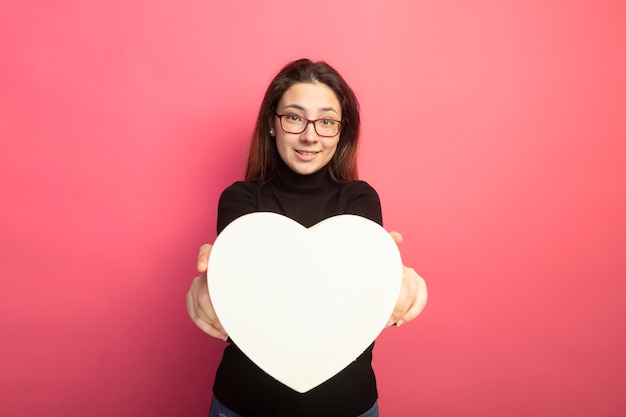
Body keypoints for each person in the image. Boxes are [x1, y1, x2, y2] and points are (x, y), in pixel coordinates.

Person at [186, 58, 427, 417]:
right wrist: (208, 288)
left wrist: (396, 278)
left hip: (349, 407)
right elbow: (244, 294)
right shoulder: (241, 199)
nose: (310, 135)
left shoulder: (359, 199)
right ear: (272, 124)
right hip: (243, 405)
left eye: (326, 121)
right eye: (295, 117)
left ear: (342, 131)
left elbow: (358, 298)